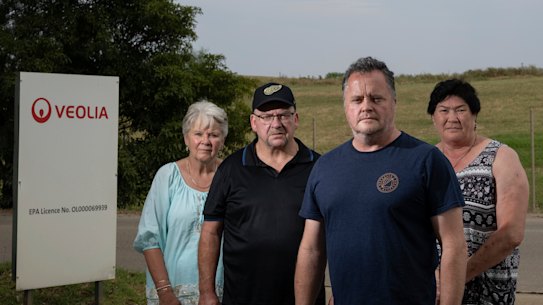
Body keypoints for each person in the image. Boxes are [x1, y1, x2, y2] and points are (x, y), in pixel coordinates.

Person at [294, 57, 467, 305]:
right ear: (346, 106)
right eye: (357, 99)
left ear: (394, 102)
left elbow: (454, 245)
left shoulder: (426, 161)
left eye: (376, 98)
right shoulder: (325, 167)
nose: (366, 106)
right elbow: (311, 250)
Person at [198, 83, 325, 305]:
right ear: (253, 123)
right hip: (242, 297)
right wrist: (206, 292)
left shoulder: (321, 169)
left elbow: (340, 233)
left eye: (283, 115)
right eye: (266, 116)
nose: (276, 124)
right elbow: (210, 232)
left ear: (295, 119)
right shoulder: (231, 169)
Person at [427, 79, 529, 305]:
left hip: (486, 292)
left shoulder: (500, 157)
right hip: (430, 291)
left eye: (461, 110)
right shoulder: (426, 161)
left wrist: (456, 276)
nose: (452, 118)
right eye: (443, 110)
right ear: (433, 118)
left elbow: (511, 233)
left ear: (474, 116)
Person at [133, 100, 228, 305]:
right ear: (186, 138)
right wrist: (165, 292)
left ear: (222, 140)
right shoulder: (167, 176)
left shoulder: (232, 176)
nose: (206, 141)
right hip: (173, 295)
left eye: (213, 134)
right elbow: (150, 238)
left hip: (221, 294)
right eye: (198, 134)